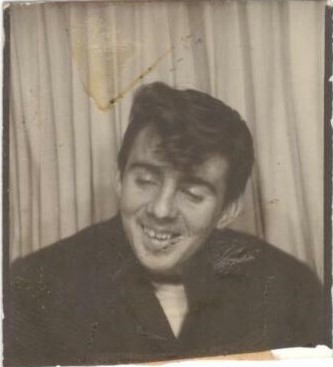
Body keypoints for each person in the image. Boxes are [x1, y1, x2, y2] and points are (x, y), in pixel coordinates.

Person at [4, 82, 325, 366]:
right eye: (145, 180)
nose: (160, 209)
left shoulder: (290, 289)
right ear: (119, 178)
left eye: (191, 192)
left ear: (229, 208)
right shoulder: (32, 289)